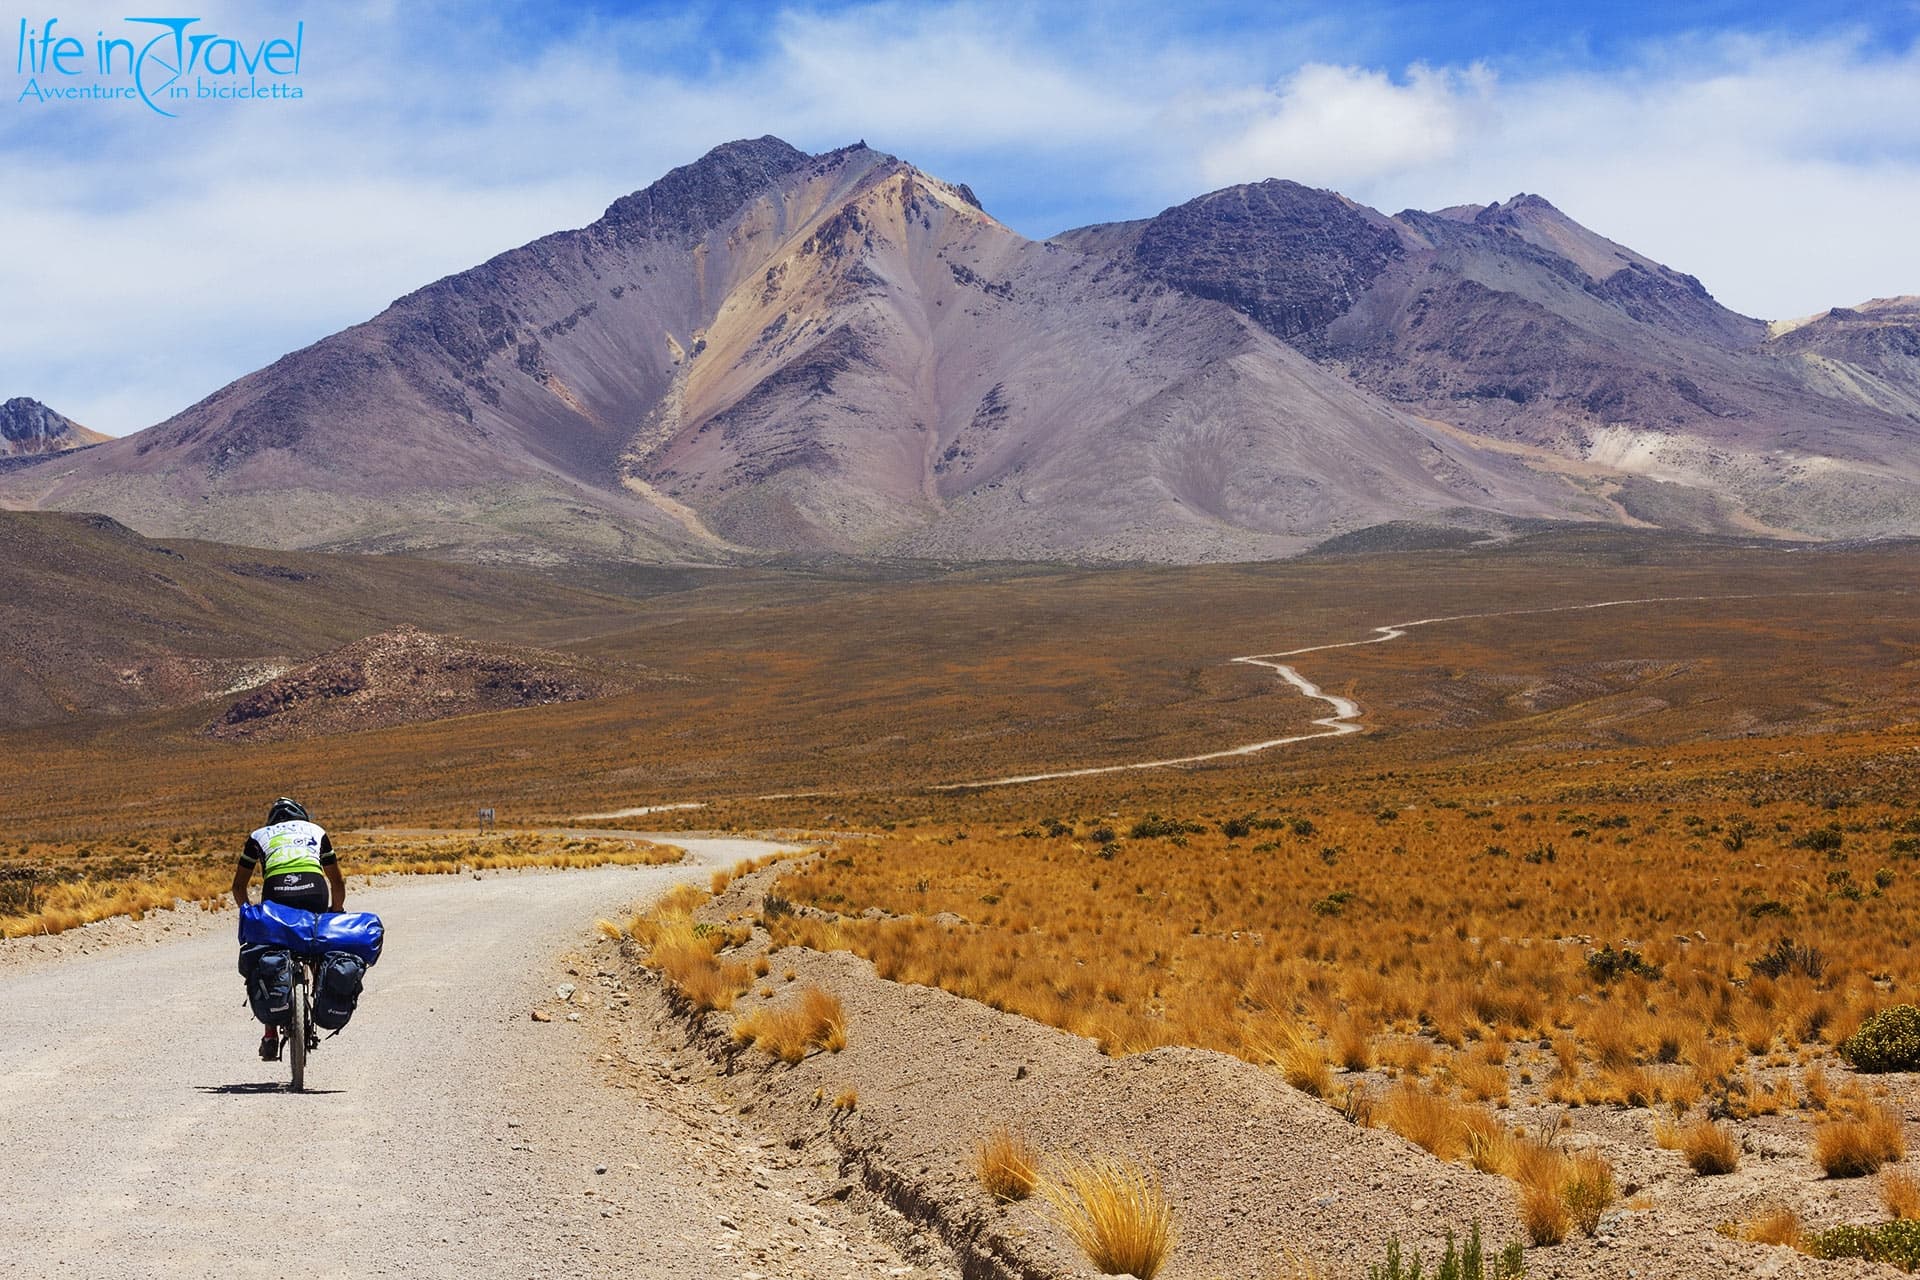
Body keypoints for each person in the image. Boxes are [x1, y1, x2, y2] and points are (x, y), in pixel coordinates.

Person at [231, 797, 345, 1060]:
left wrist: (250, 914)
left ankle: (270, 1033)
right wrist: (336, 910)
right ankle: (321, 995)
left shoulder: (258, 835)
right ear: (302, 817)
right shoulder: (316, 831)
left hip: (277, 894)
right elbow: (337, 881)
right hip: (315, 891)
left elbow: (238, 886)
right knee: (317, 944)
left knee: (269, 950)